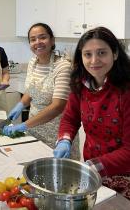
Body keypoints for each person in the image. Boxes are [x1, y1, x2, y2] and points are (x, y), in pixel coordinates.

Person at [53, 26, 130, 199]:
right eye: (88, 54)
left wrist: (92, 167)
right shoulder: (81, 84)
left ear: (115, 54)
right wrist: (64, 140)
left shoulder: (125, 91)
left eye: (102, 53)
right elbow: (70, 118)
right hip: (94, 170)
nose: (94, 60)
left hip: (124, 174)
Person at [3, 23, 79, 158]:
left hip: (56, 133)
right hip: (34, 129)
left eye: (42, 37)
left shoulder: (63, 67)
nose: (37, 42)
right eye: (33, 39)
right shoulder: (33, 62)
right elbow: (32, 90)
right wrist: (20, 105)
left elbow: (58, 106)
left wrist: (23, 125)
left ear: (52, 40)